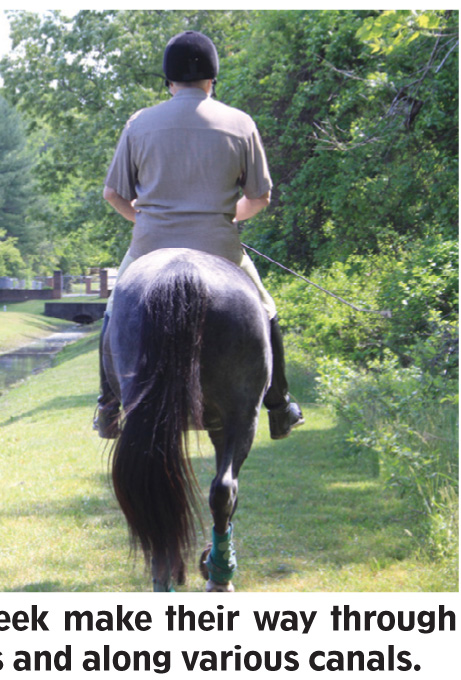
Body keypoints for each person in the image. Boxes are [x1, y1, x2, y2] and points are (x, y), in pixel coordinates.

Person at [95, 30, 304, 441]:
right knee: (265, 308)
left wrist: (147, 222)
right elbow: (260, 197)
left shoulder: (140, 123)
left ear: (169, 81)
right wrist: (228, 217)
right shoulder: (239, 123)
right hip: (221, 250)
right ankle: (280, 406)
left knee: (114, 309)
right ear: (212, 79)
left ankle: (107, 407)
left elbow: (113, 194)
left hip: (149, 249)